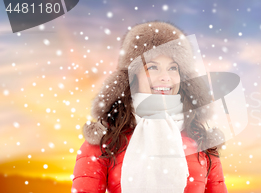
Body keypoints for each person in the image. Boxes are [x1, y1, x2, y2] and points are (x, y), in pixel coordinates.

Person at [71, 21, 228, 193]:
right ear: (132, 76)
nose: (165, 77)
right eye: (152, 67)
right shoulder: (105, 139)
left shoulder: (201, 140)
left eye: (173, 68)